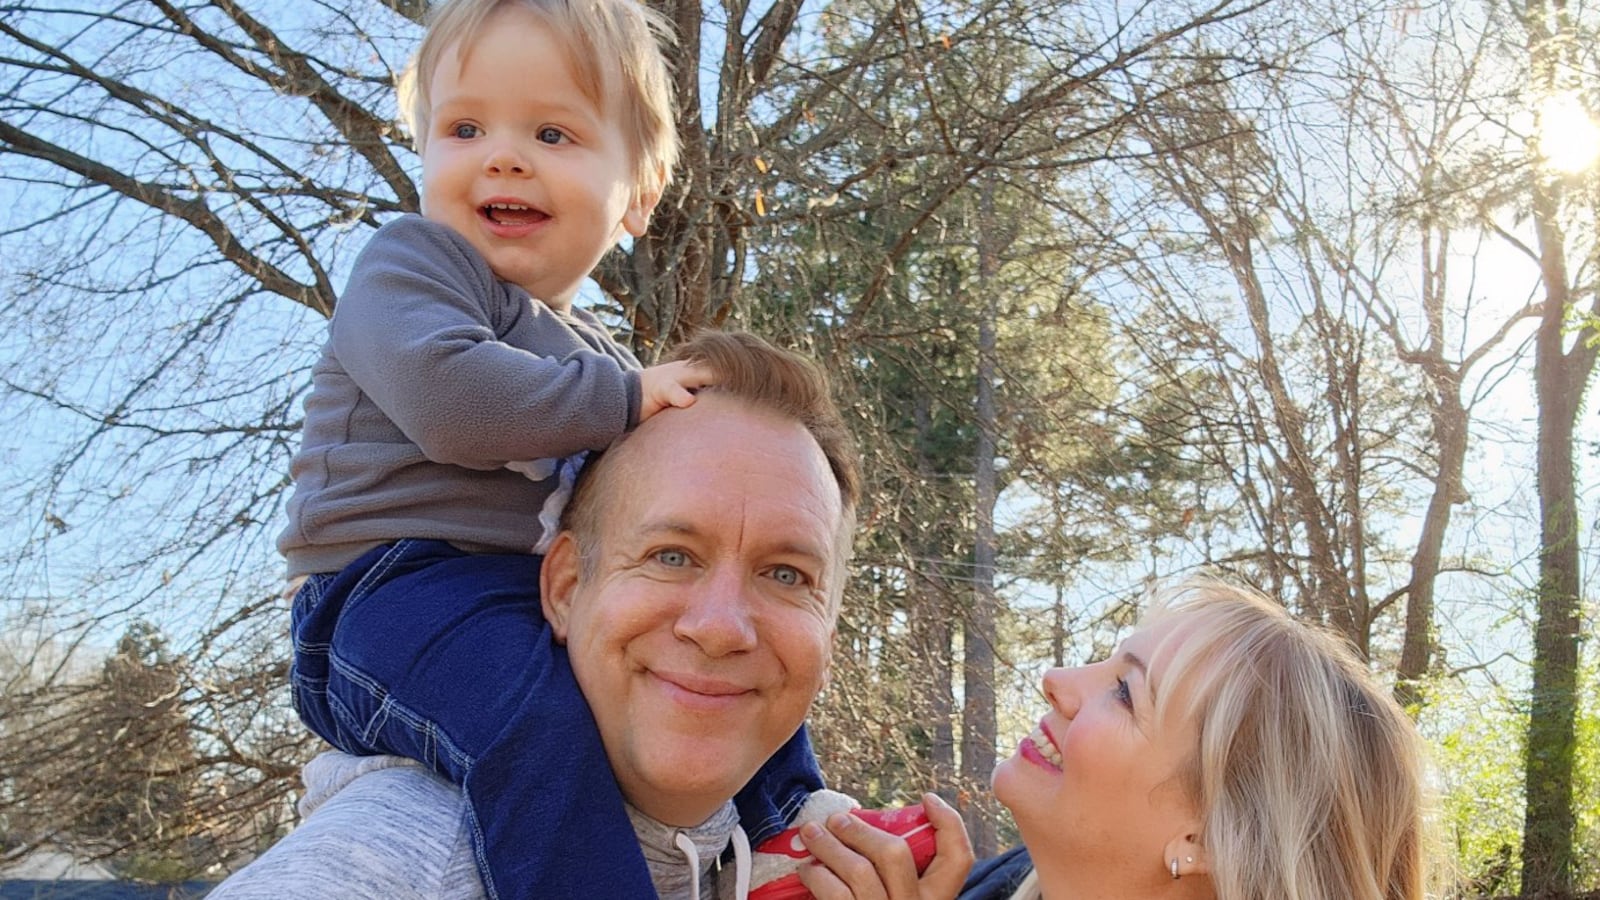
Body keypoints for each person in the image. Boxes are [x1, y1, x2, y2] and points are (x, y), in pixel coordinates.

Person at [275, 1, 823, 896]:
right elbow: (452, 405)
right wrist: (629, 399)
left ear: (638, 197)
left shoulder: (599, 357)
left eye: (553, 132)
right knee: (531, 721)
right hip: (379, 593)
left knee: (719, 642)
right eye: (463, 127)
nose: (503, 154)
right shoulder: (414, 267)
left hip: (519, 596)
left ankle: (793, 818)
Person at [219, 331, 976, 899]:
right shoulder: (400, 868)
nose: (720, 626)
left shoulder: (830, 872)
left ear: (829, 635)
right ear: (563, 587)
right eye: (672, 555)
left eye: (786, 574)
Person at [957, 579, 1430, 900]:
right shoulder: (953, 881)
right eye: (1109, 661)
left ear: (1204, 840)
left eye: (1125, 693)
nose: (1056, 678)